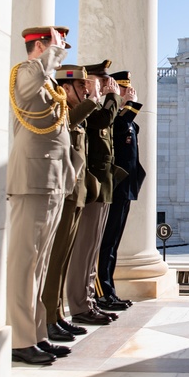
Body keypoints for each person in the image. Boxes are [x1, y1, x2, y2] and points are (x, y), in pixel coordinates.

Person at [5, 26, 74, 365]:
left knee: (40, 262)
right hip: (32, 179)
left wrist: (69, 176)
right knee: (24, 262)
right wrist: (52, 54)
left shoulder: (48, 82)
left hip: (51, 179)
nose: (62, 53)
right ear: (42, 45)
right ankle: (19, 340)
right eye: (58, 45)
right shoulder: (26, 74)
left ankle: (36, 334)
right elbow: (33, 83)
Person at [38, 65, 104, 354]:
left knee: (63, 259)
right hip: (63, 193)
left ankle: (56, 315)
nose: (87, 92)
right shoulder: (64, 113)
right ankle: (49, 318)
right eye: (81, 88)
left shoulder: (71, 115)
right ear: (66, 88)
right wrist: (94, 100)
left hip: (75, 194)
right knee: (54, 261)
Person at [66, 61, 123, 326]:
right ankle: (80, 304)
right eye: (104, 81)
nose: (109, 85)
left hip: (103, 184)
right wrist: (111, 97)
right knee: (84, 250)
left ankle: (87, 301)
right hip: (89, 184)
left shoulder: (94, 107)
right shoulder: (88, 108)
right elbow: (102, 121)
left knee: (92, 249)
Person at [96, 71, 145, 312]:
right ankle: (102, 292)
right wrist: (123, 105)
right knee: (105, 244)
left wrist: (127, 108)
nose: (131, 93)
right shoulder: (114, 119)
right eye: (126, 90)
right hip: (113, 188)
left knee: (112, 244)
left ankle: (109, 291)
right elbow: (116, 130)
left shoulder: (125, 120)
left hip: (123, 188)